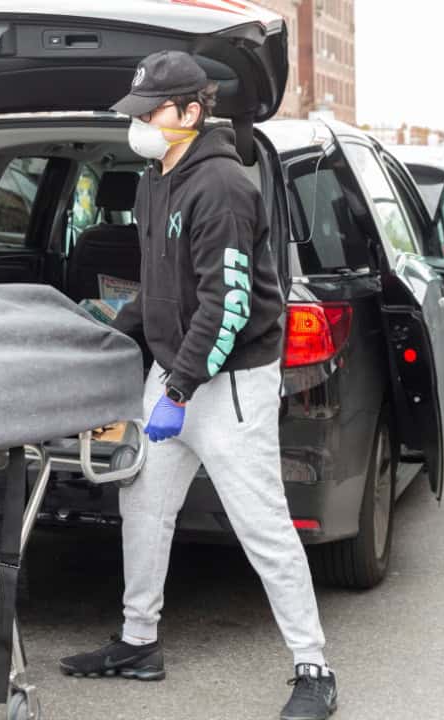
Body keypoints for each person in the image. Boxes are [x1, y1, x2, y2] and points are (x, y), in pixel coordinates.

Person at [57, 51, 339, 720]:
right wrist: (104, 330)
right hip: (174, 374)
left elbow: (228, 306)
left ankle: (313, 668)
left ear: (190, 111)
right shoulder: (157, 180)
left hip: (230, 384)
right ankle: (137, 642)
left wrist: (179, 390)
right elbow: (161, 291)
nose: (139, 125)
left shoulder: (223, 187)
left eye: (151, 112)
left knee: (262, 525)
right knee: (144, 509)